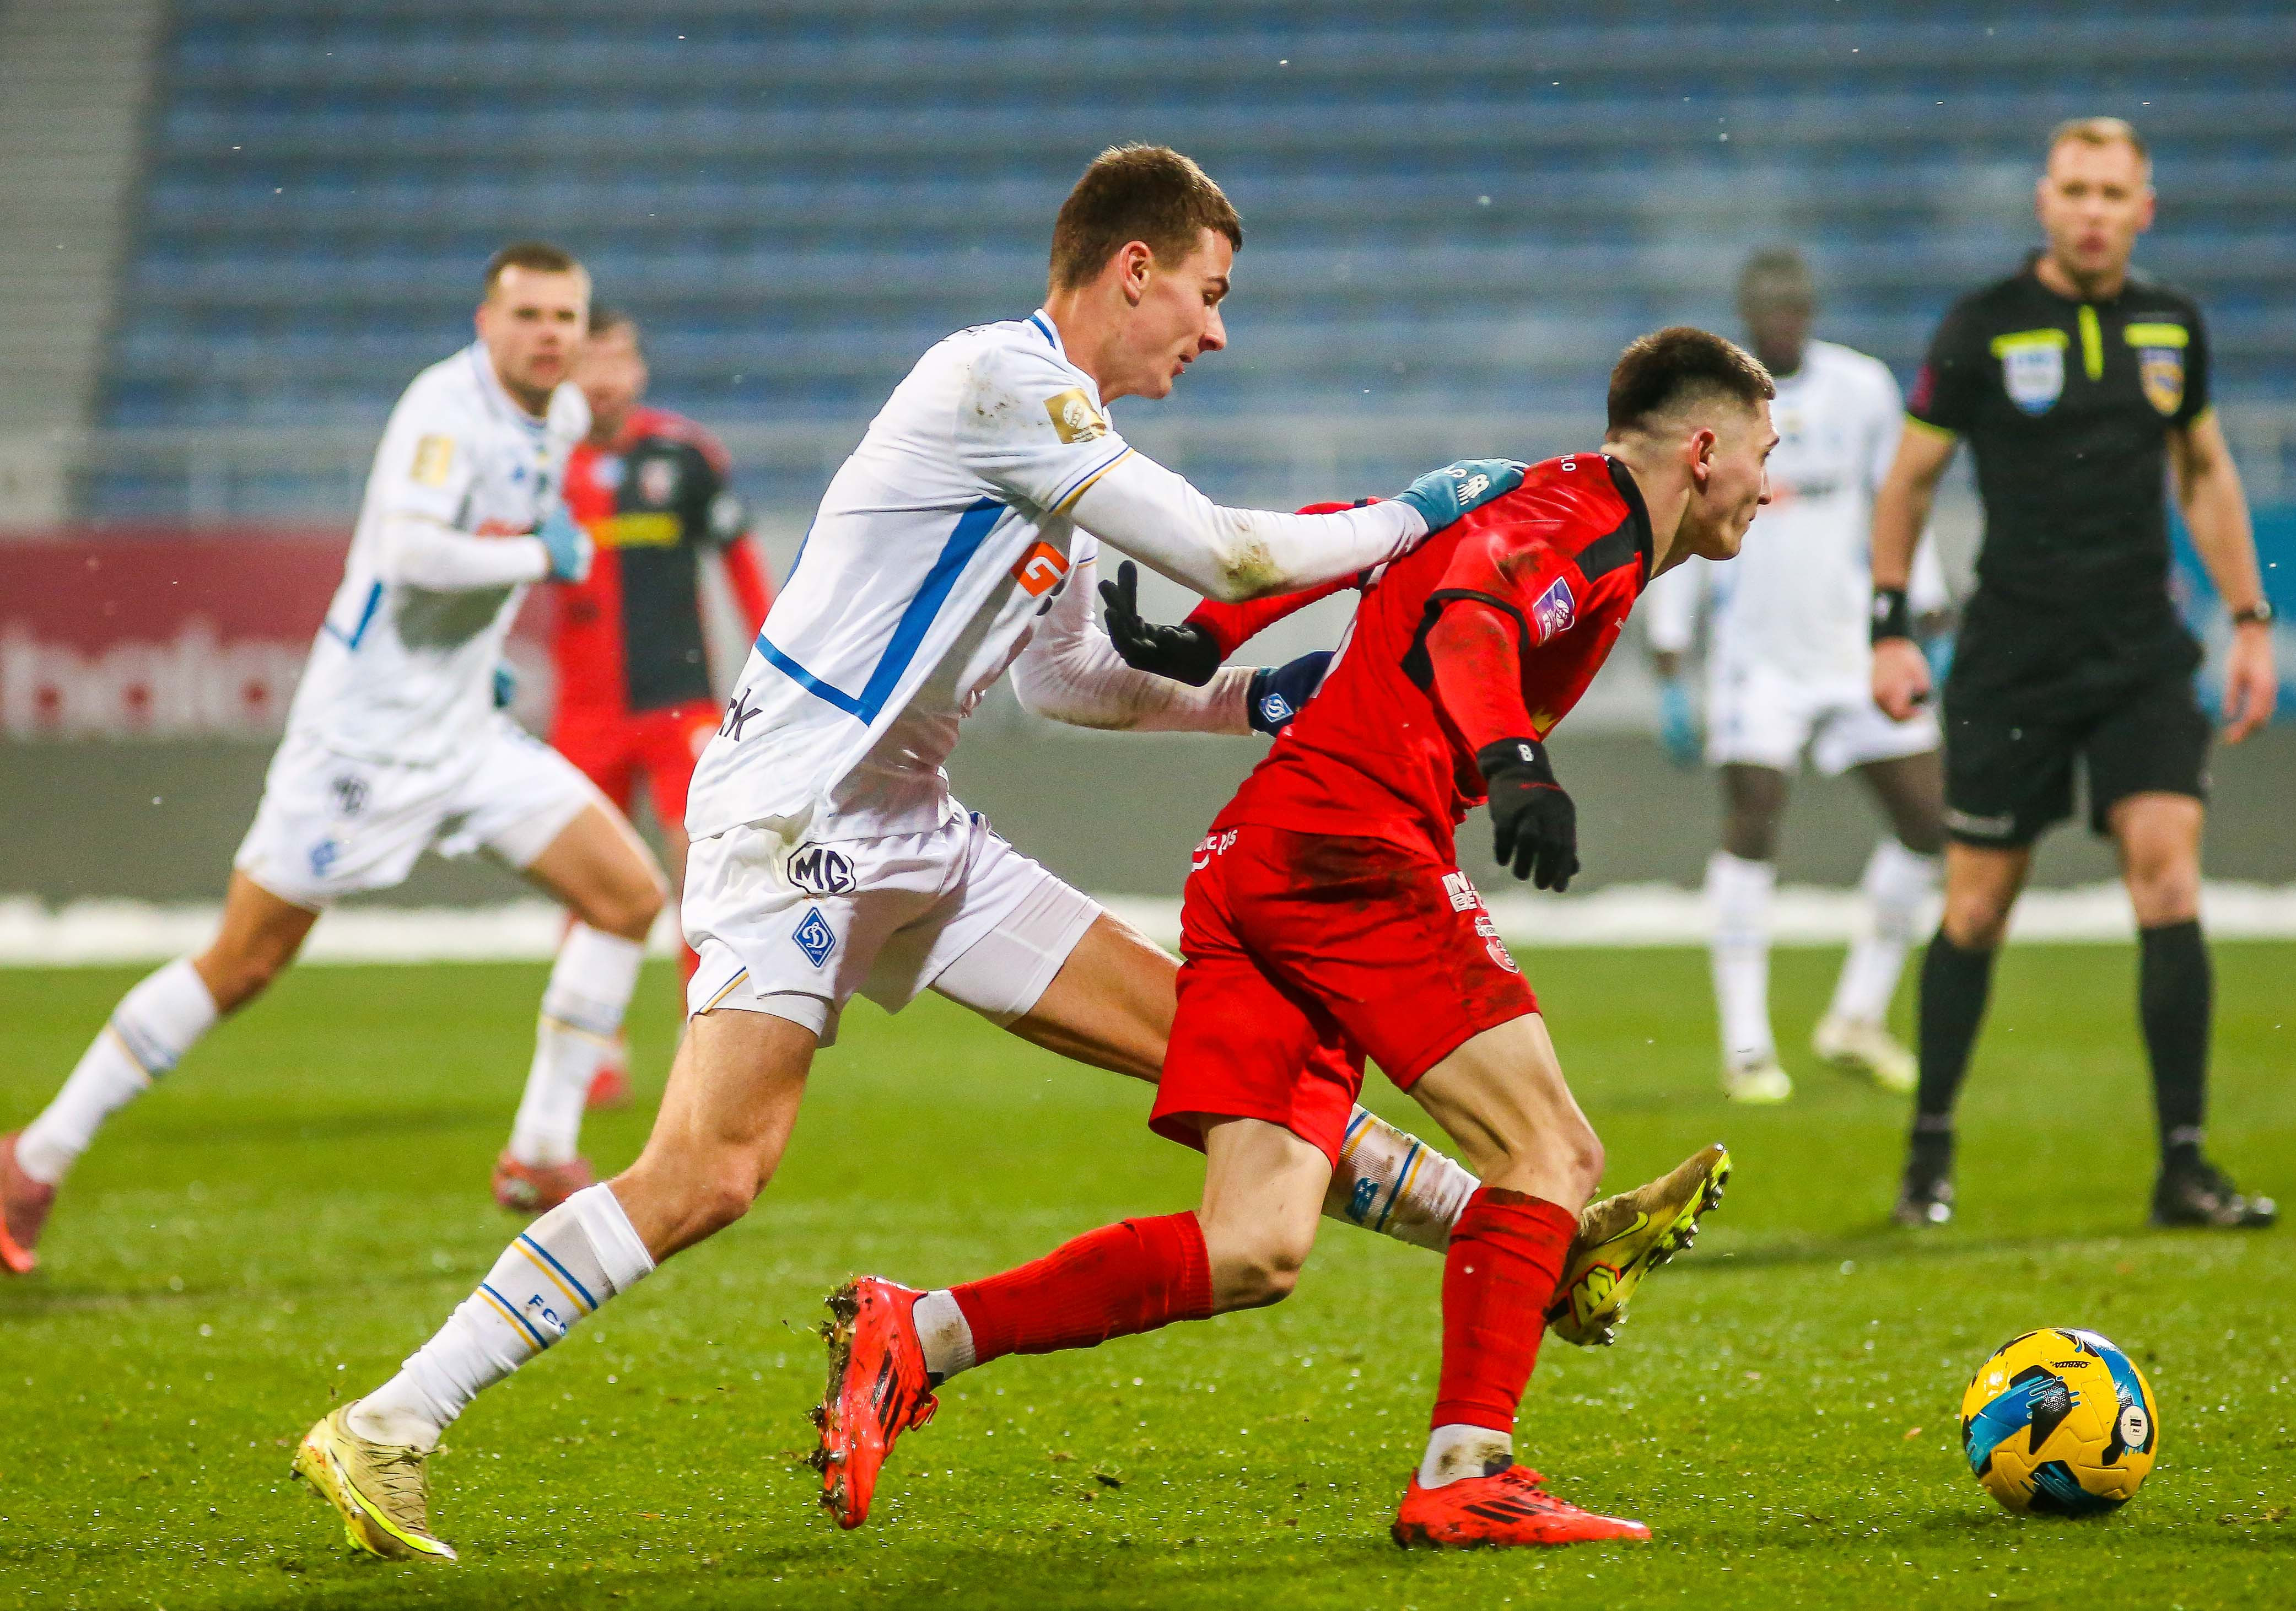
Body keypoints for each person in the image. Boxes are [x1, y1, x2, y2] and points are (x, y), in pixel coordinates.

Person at [287, 144, 1621, 1565]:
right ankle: (390, 1419)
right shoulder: (997, 381)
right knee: (710, 1172)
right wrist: (1417, 512)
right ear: (1135, 270)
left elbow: (1068, 681)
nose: (1217, 332)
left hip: (910, 822)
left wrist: (1250, 699)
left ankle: (1531, 1238)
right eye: (1211, 293)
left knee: (1220, 1044)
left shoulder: (1059, 441)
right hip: (800, 817)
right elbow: (1231, 557)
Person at [816, 326, 1775, 1550]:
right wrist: (1514, 761)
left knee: (1252, 1247)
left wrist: (1210, 635)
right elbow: (1471, 619)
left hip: (1253, 856)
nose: (1768, 485)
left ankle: (919, 1332)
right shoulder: (1591, 524)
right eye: (1764, 454)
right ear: (1705, 449)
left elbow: (1361, 533)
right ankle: (1468, 1469)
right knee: (1548, 1145)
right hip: (1352, 849)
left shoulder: (1525, 491)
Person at [0, 243, 670, 1274]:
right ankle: (35, 1158)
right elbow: (409, 552)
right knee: (244, 962)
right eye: (528, 315)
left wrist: (480, 656)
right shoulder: (443, 412)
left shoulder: (564, 415)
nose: (548, 335)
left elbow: (481, 554)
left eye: (564, 318)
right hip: (363, 743)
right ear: (485, 324)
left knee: (628, 897)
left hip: (464, 735)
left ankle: (541, 1151)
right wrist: (541, 556)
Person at [1871, 118, 2280, 1230]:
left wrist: (2250, 620)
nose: (2092, 211)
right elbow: (1908, 483)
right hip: (2013, 658)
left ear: (2143, 209)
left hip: (2140, 652)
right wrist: (1889, 626)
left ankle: (2183, 1166)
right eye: (2075, 190)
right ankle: (1928, 1152)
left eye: (2112, 192)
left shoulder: (2171, 323)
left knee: (2168, 877)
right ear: (2042, 202)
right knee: (1976, 905)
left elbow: (2204, 469)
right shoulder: (1981, 325)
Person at [1641, 247, 1950, 1103]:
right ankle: (1746, 1046)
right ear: (1746, 317)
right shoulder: (1708, 409)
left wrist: (1922, 604)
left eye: (1794, 306)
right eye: (1768, 308)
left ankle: (1856, 1015)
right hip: (1756, 661)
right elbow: (1681, 520)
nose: (1783, 320)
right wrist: (1670, 645)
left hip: (1853, 648)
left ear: (1810, 311)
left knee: (1928, 822)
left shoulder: (1861, 390)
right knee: (1752, 821)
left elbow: (1897, 500)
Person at [549, 306, 777, 1107]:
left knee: (700, 868)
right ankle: (591, 1055)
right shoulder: (540, 464)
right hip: (583, 716)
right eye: (589, 361)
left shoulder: (683, 454)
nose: (604, 378)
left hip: (679, 707)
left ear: (639, 370)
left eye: (617, 360)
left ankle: (699, 1037)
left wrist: (775, 674)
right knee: (587, 882)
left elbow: (742, 568)